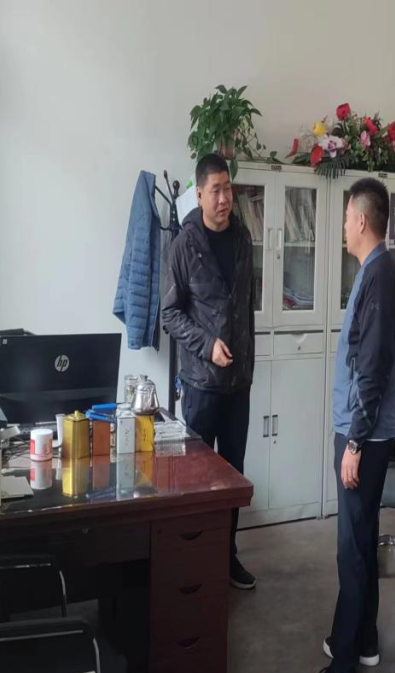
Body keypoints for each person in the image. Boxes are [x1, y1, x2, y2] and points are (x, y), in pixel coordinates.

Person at [316, 178, 395, 673]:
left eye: (348, 216)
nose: (344, 226)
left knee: (351, 549)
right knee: (362, 538)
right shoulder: (375, 273)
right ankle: (363, 639)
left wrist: (353, 442)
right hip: (363, 431)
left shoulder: (379, 277)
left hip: (363, 437)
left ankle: (343, 669)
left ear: (362, 220)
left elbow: (371, 369)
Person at [161, 153, 256, 590]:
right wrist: (206, 344)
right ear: (198, 194)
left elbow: (245, 306)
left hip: (239, 383)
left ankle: (227, 556)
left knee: (233, 475)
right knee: (198, 479)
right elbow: (169, 314)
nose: (224, 198)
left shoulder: (243, 238)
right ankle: (195, 562)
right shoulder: (183, 246)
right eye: (215, 190)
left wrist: (244, 357)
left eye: (228, 188)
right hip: (201, 384)